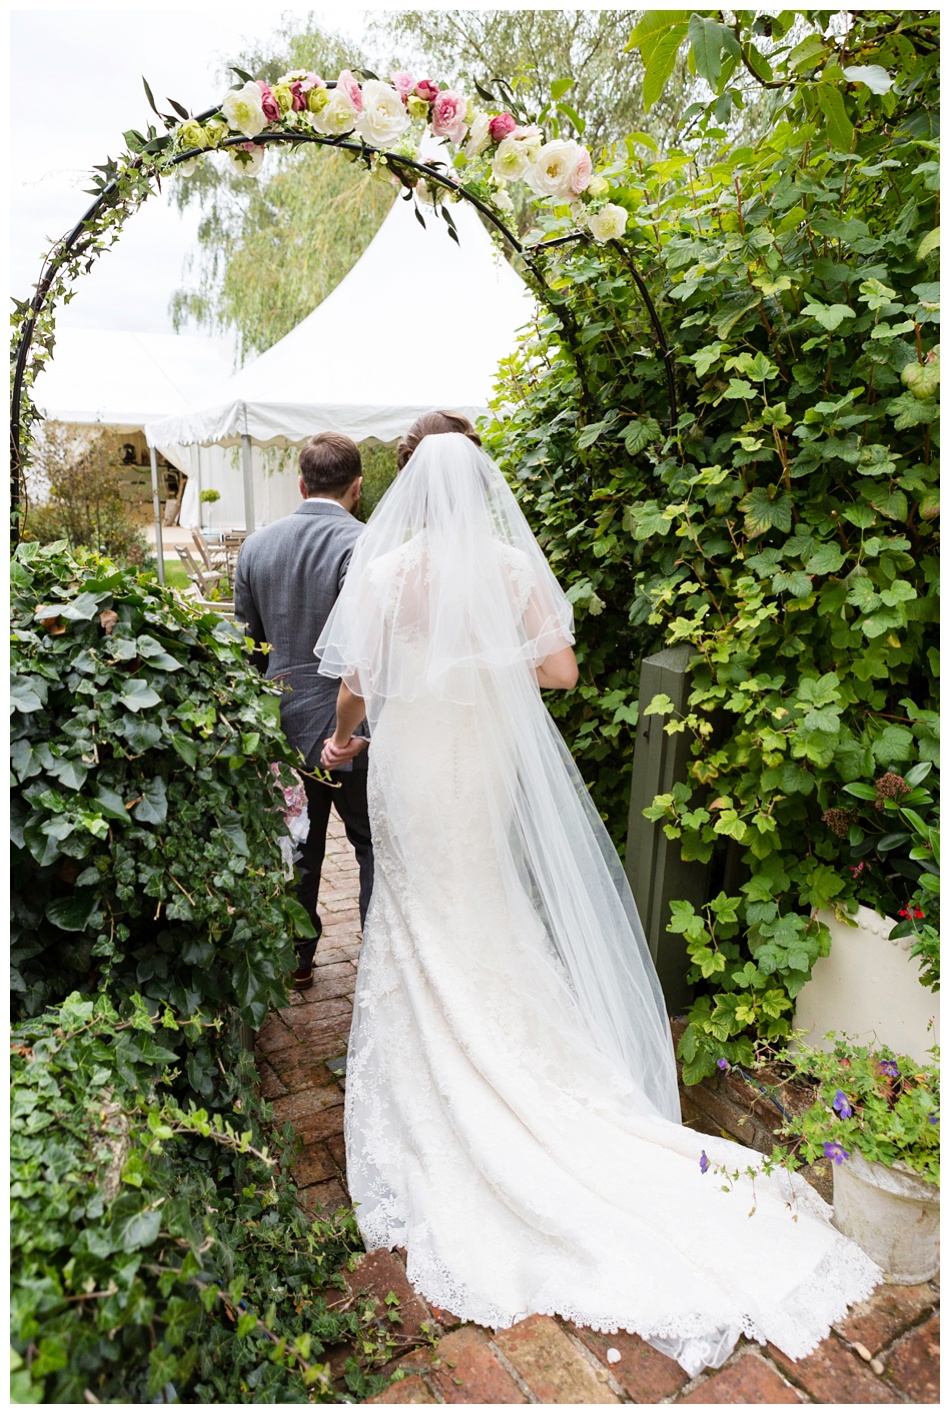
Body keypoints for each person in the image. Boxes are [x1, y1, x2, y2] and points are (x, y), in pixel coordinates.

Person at [315, 415, 881, 1376]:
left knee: (417, 915)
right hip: (484, 762)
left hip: (412, 767)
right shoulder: (507, 565)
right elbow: (559, 670)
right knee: (484, 902)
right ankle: (521, 1061)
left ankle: (442, 1078)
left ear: (406, 484)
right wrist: (483, 662)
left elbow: (357, 684)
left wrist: (342, 742)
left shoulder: (385, 570)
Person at [234, 431, 373, 989]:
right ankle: (378, 960)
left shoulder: (256, 547)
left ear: (301, 483)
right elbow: (370, 650)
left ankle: (297, 961)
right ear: (357, 488)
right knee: (371, 848)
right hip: (354, 731)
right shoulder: (368, 544)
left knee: (299, 848)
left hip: (283, 728)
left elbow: (250, 646)